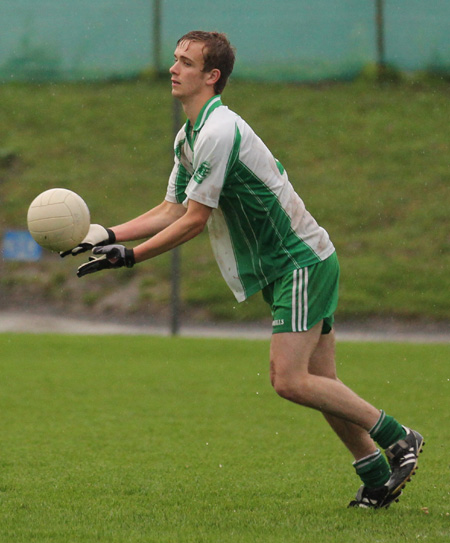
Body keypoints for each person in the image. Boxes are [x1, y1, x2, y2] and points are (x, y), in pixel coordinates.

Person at [63, 31, 424, 508]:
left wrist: (132, 257)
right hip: (288, 266)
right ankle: (378, 477)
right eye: (175, 59)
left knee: (289, 379)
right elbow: (171, 208)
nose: (174, 68)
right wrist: (110, 234)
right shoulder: (189, 136)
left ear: (212, 77)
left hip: (299, 261)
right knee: (321, 385)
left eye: (186, 63)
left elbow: (195, 220)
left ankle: (399, 438)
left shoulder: (218, 132)